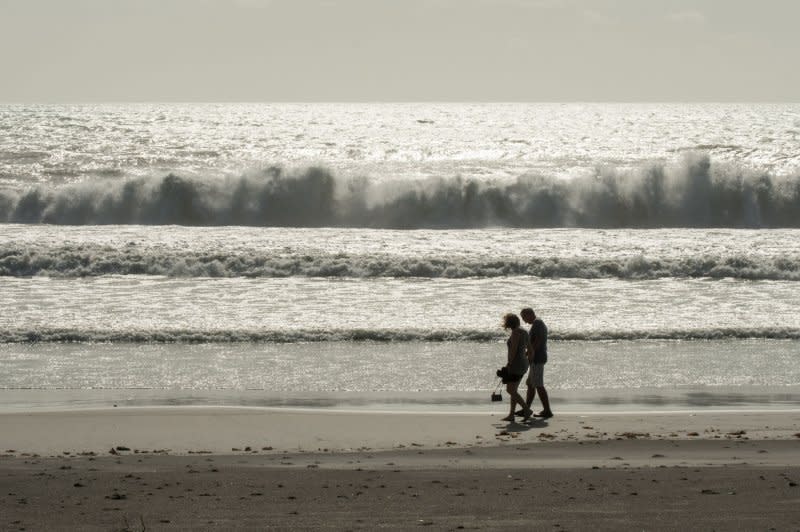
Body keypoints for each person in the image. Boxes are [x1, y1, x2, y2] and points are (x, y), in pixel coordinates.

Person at [520, 307, 553, 419]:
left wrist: (529, 353)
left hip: (537, 358)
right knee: (530, 384)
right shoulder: (537, 323)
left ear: (530, 314)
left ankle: (547, 410)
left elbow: (537, 341)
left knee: (538, 385)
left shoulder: (537, 323)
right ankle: (526, 408)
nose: (524, 320)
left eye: (524, 317)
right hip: (536, 357)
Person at [499, 313, 533, 422]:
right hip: (524, 363)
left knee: (510, 390)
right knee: (514, 390)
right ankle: (511, 415)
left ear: (509, 323)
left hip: (516, 365)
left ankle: (526, 410)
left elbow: (513, 351)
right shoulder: (524, 332)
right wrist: (527, 361)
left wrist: (509, 364)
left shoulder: (515, 333)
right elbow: (531, 350)